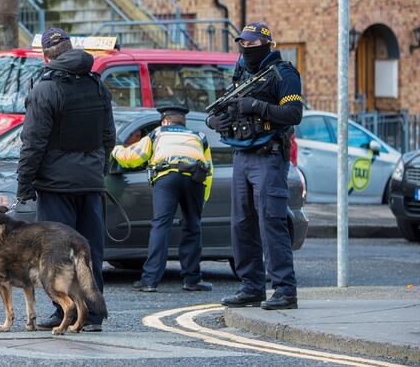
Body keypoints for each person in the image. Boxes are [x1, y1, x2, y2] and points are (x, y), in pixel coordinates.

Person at [16, 28, 116, 332]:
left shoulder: (45, 89)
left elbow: (33, 142)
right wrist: (99, 170)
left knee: (57, 252)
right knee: (89, 251)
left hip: (56, 184)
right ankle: (94, 315)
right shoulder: (97, 85)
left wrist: (24, 184)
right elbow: (109, 137)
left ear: (46, 56)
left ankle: (66, 314)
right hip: (89, 183)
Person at [206, 22, 303, 311]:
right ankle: (251, 287)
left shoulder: (284, 74)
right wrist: (215, 122)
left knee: (271, 223)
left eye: (252, 45)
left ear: (267, 45)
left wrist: (258, 107)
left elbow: (293, 113)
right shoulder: (243, 73)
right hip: (241, 156)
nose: (246, 49)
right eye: (243, 44)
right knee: (241, 225)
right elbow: (223, 108)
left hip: (269, 157)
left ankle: (285, 290)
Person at [111, 105, 213, 293]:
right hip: (195, 179)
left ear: (165, 121)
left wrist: (115, 148)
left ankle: (150, 280)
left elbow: (132, 158)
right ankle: (192, 280)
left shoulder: (158, 133)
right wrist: (203, 199)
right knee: (192, 225)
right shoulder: (199, 136)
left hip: (167, 177)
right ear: (183, 122)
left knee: (161, 225)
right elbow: (209, 170)